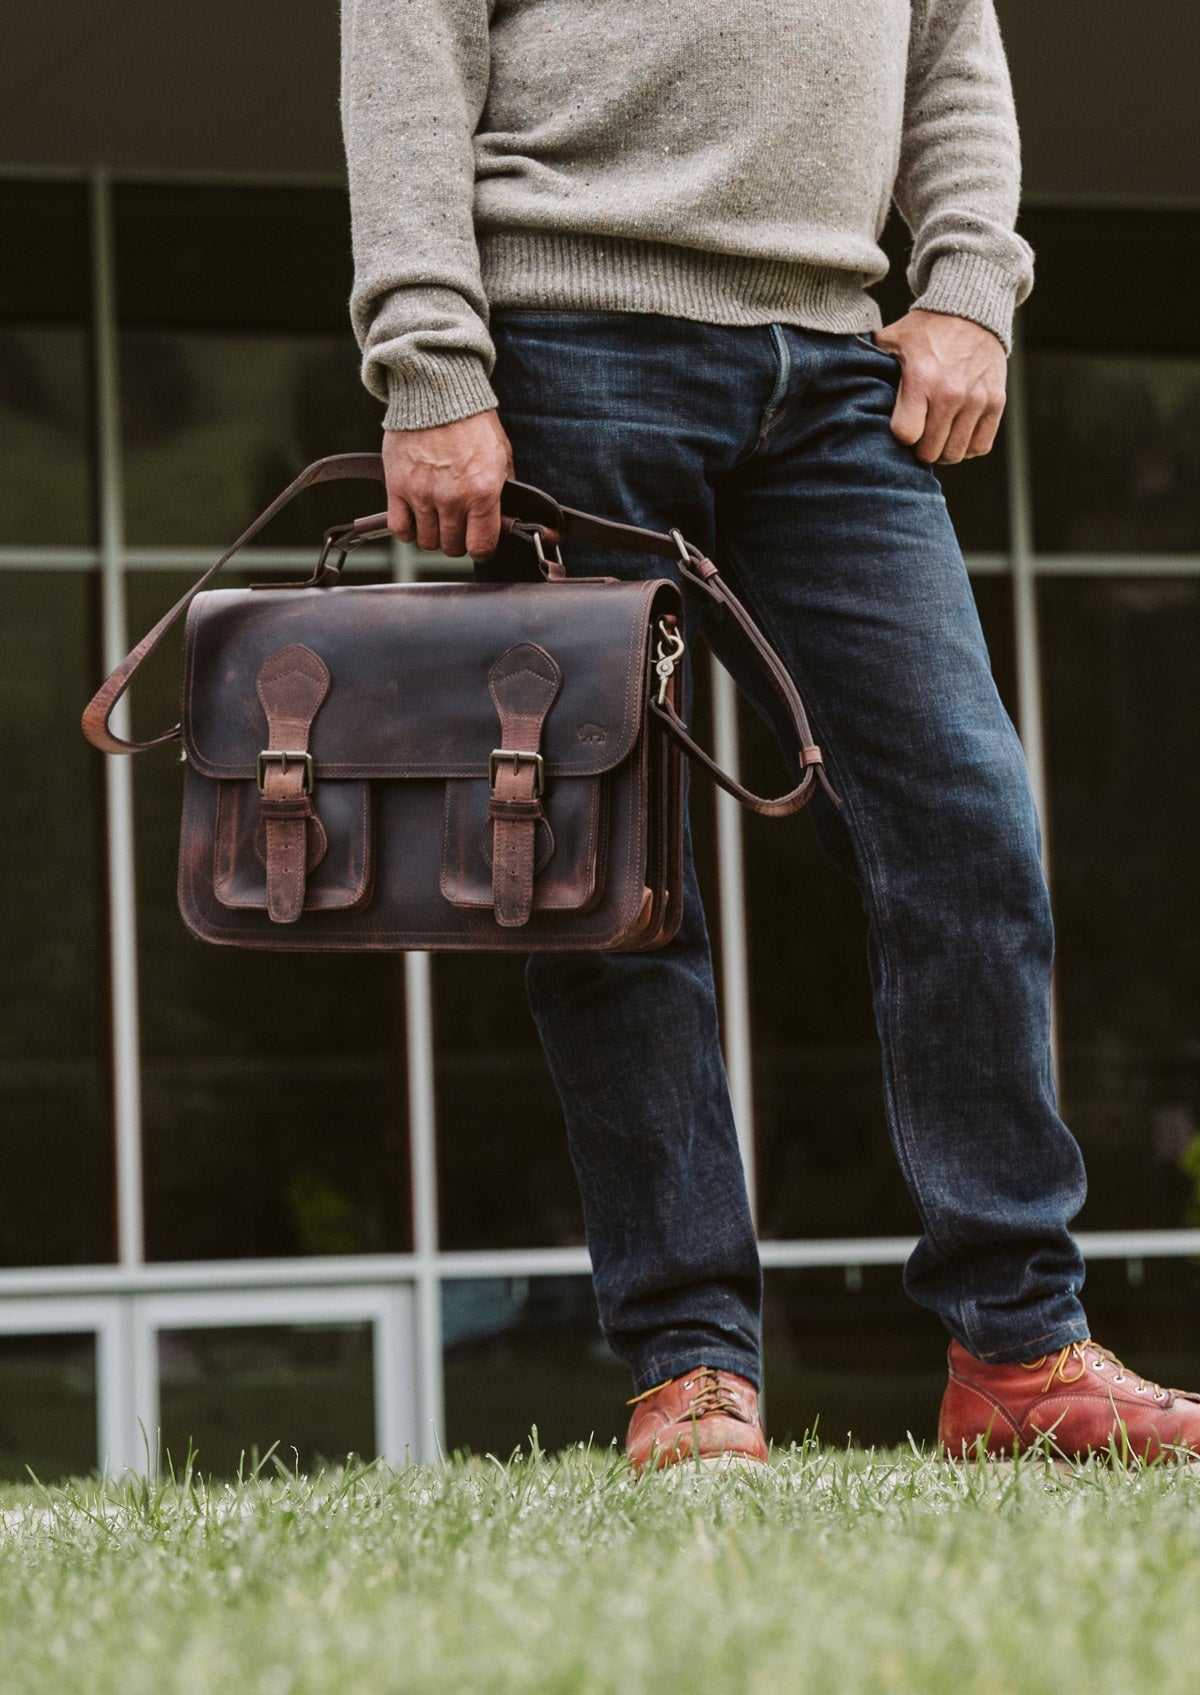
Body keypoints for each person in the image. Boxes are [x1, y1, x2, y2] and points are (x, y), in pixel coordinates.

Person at [340, 0, 1200, 1467]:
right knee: (611, 878)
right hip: (570, 348)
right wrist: (429, 355)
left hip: (834, 368)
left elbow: (952, 52)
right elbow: (408, 39)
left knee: (968, 830)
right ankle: (690, 1365)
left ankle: (1018, 1349)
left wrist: (974, 283)